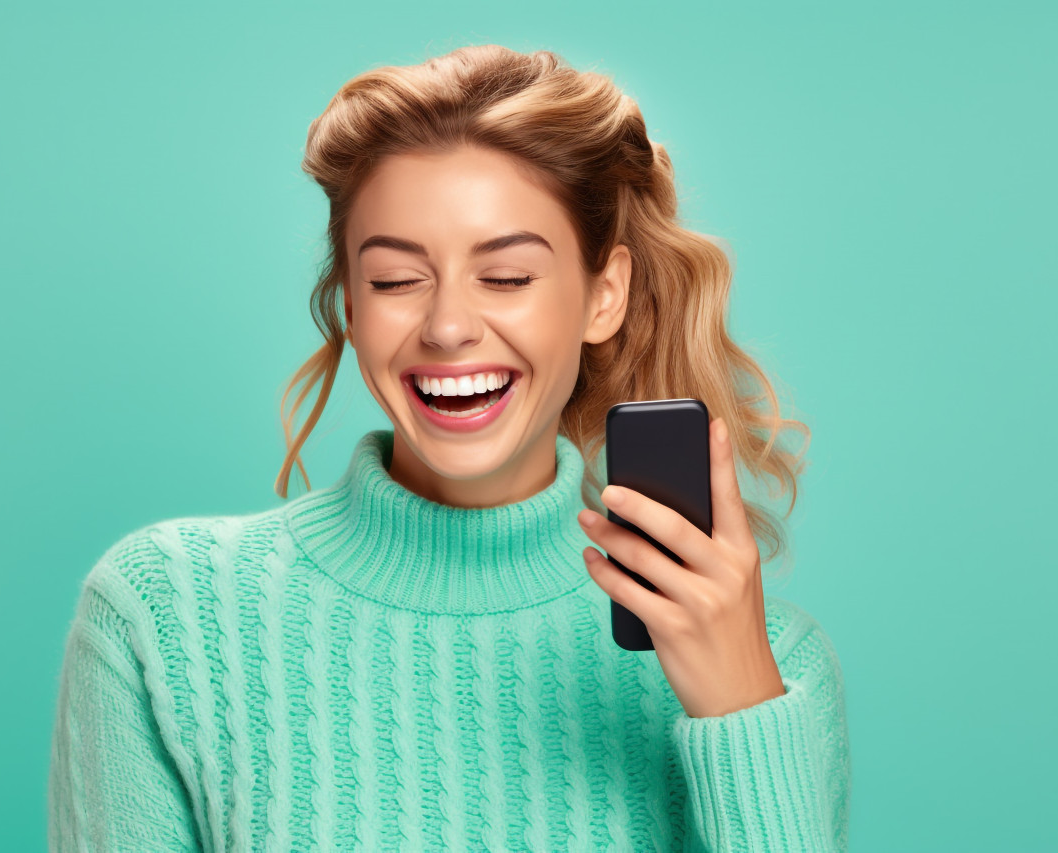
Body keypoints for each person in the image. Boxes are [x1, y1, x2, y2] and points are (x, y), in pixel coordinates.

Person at [48, 44, 851, 852]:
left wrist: (741, 711)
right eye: (397, 280)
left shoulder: (777, 665)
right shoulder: (165, 615)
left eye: (506, 277)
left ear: (603, 295)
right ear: (350, 307)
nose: (448, 327)